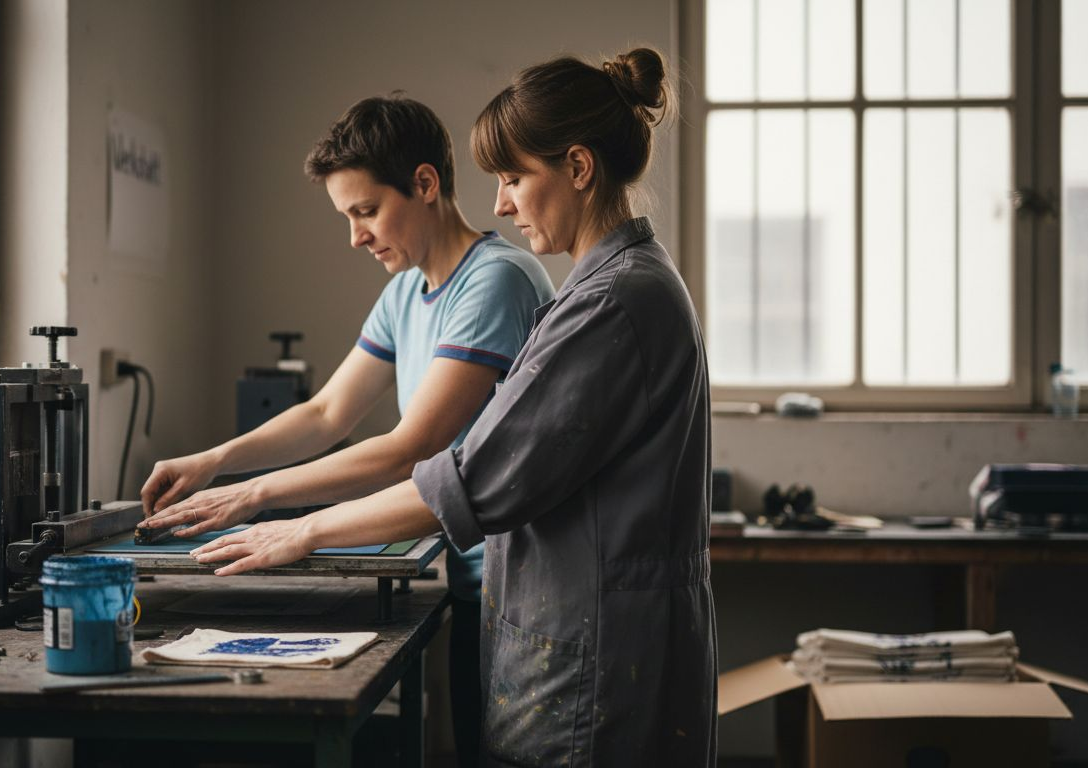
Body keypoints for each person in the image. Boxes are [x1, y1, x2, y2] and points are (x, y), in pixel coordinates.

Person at [187, 49, 716, 766]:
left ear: (578, 168)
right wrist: (223, 465)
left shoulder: (609, 303)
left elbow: (465, 475)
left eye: (514, 178)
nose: (501, 203)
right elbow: (332, 412)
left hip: (598, 660)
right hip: (587, 636)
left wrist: (298, 527)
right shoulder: (609, 288)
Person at [137, 94, 554, 768]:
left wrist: (253, 495)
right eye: (348, 217)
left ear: (425, 184)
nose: (356, 236)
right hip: (472, 580)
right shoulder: (406, 291)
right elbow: (328, 413)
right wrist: (217, 460)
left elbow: (410, 446)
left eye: (366, 211)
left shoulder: (496, 281)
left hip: (521, 592)